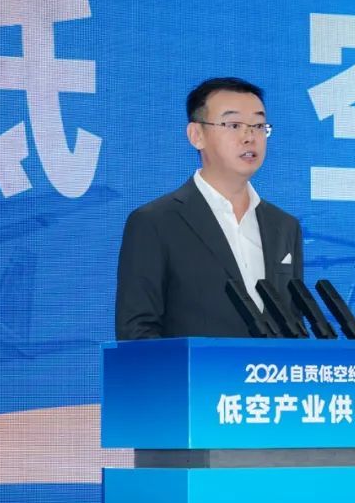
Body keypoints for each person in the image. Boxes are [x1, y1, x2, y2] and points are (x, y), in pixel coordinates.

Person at [115, 77, 303, 339]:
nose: (249, 137)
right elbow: (137, 331)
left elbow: (293, 326)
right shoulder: (155, 222)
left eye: (259, 126)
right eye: (234, 125)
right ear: (197, 135)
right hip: (193, 367)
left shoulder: (284, 226)